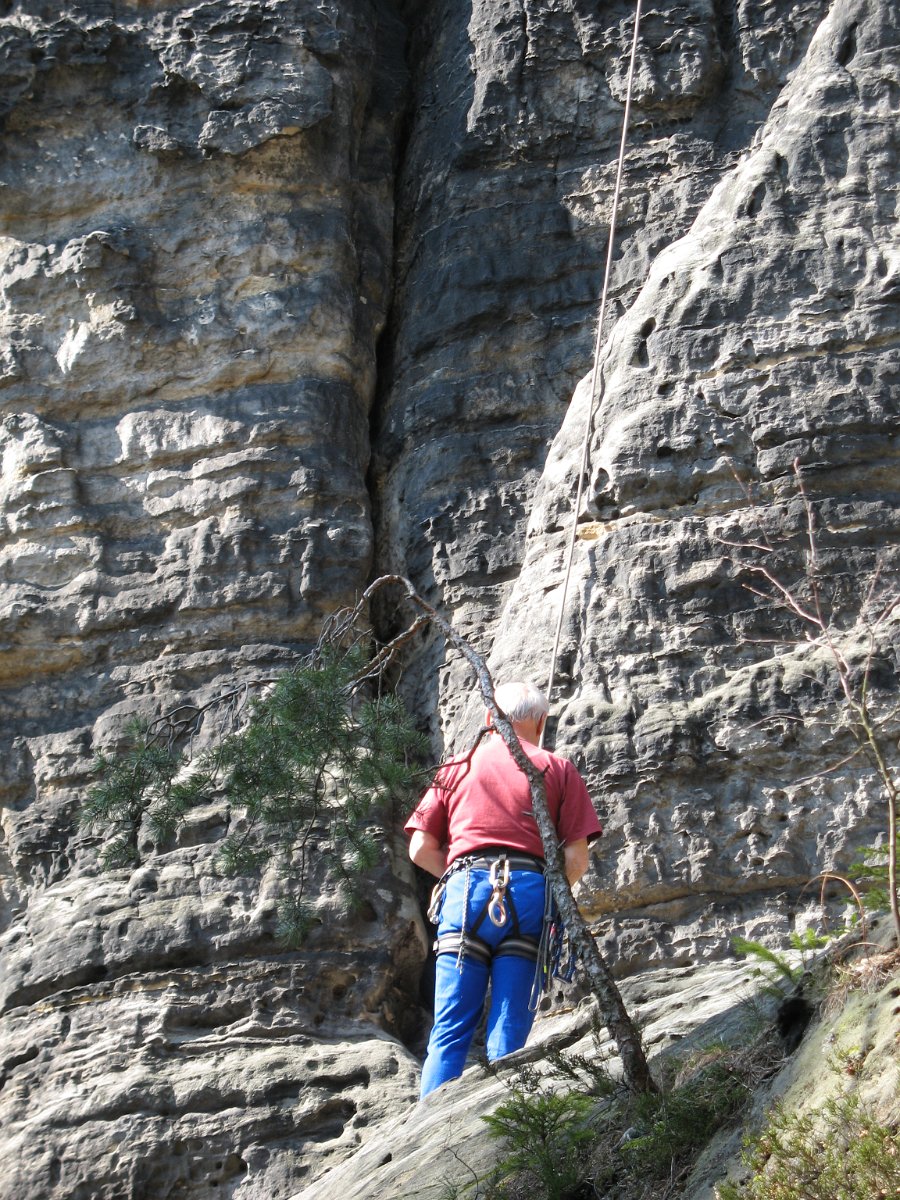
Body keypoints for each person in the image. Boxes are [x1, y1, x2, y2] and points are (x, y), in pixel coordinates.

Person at [404, 680, 603, 1097]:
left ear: (490, 719)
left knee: (450, 1027)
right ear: (542, 721)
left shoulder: (456, 767)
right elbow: (577, 859)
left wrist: (458, 877)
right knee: (510, 1028)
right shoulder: (557, 768)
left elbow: (420, 848)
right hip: (530, 894)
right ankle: (506, 1126)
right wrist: (547, 894)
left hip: (465, 892)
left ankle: (429, 1119)